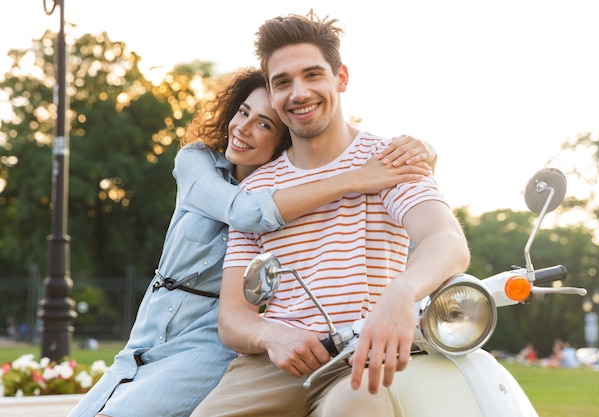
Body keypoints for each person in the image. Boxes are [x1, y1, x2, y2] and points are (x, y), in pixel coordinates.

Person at [68, 65, 437, 417]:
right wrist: (357, 178)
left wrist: (423, 152)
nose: (243, 128)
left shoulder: (292, 190)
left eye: (264, 124)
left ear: (282, 139)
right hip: (152, 322)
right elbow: (244, 210)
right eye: (242, 112)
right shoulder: (197, 162)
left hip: (213, 334)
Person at [191, 11, 470, 417]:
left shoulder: (390, 158)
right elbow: (233, 316)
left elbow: (446, 241)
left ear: (340, 78)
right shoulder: (255, 191)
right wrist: (272, 336)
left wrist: (402, 292)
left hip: (361, 358)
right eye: (282, 82)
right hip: (274, 368)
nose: (299, 92)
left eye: (312, 75)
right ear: (272, 92)